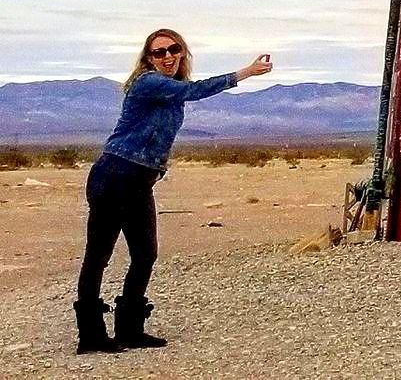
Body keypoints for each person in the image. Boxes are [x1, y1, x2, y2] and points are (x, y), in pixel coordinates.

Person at [74, 30, 273, 355]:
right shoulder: (148, 82)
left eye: (173, 49)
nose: (167, 56)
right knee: (98, 255)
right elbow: (195, 90)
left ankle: (129, 329)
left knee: (145, 254)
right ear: (148, 59)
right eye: (159, 52)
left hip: (138, 181)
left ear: (182, 52)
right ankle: (90, 334)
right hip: (115, 176)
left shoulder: (171, 91)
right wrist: (246, 72)